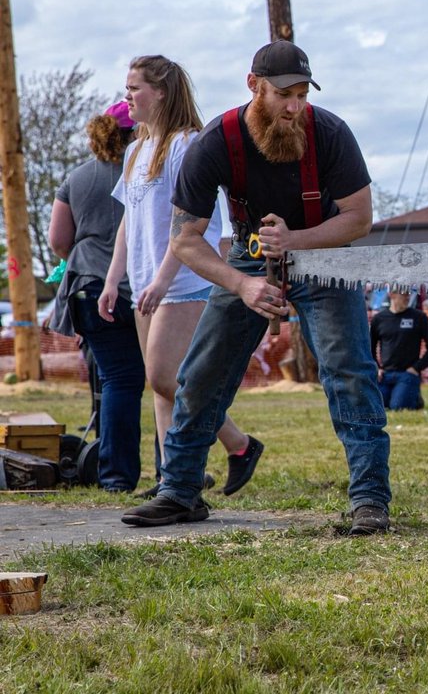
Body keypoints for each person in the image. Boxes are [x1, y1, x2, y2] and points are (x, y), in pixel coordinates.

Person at [122, 40, 391, 533]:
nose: (294, 107)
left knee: (349, 373)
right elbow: (184, 239)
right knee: (201, 373)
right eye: (283, 94)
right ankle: (180, 491)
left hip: (323, 254)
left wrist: (295, 240)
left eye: (302, 94)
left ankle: (370, 500)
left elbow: (358, 219)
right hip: (247, 259)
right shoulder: (217, 142)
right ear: (254, 86)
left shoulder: (329, 132)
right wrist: (242, 287)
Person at [100, 56, 262, 499]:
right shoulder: (135, 149)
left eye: (135, 87)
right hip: (145, 282)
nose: (127, 96)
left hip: (184, 282)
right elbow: (128, 224)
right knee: (161, 385)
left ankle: (239, 444)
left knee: (167, 376)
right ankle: (172, 477)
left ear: (162, 92)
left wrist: (162, 280)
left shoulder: (187, 145)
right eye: (127, 87)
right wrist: (115, 280)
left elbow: (187, 226)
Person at [47, 102, 145, 492]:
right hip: (139, 287)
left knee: (117, 381)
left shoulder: (77, 177)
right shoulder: (144, 173)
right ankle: (177, 472)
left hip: (87, 286)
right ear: (135, 133)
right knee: (166, 379)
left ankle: (116, 477)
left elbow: (58, 241)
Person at [370, 287, 428, 410]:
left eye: (408, 294)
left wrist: (416, 368)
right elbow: (369, 348)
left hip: (407, 373)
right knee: (378, 407)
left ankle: (415, 398)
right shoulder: (379, 319)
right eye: (403, 294)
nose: (408, 297)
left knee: (398, 407)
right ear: (391, 294)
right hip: (385, 374)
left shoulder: (419, 317)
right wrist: (376, 368)